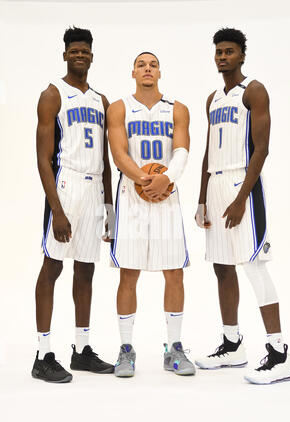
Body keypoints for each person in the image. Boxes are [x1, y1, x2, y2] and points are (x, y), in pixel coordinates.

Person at [195, 28, 290, 384]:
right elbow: (208, 150)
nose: (223, 56)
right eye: (219, 51)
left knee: (254, 266)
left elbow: (262, 148)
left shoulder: (253, 90)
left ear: (242, 55)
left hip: (243, 184)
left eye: (230, 51)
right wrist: (203, 197)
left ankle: (279, 352)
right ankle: (232, 344)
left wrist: (240, 200)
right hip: (217, 182)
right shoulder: (212, 99)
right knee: (222, 267)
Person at [32, 26, 114, 383]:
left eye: (85, 51)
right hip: (65, 186)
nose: (80, 56)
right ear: (65, 54)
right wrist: (58, 209)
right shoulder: (53, 95)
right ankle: (42, 353)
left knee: (86, 270)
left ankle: (81, 350)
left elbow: (107, 159)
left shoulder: (101, 100)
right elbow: (42, 158)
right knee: (52, 267)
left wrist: (110, 207)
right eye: (74, 51)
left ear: (92, 56)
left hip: (94, 188)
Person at [107, 52, 195, 377]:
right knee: (128, 274)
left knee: (174, 272)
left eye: (153, 64)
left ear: (160, 72)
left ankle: (174, 348)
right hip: (132, 195)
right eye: (142, 64)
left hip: (167, 194)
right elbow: (118, 154)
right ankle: (126, 350)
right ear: (133, 72)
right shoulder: (119, 108)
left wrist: (166, 179)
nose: (147, 68)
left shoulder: (177, 109)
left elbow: (182, 151)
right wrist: (146, 180)